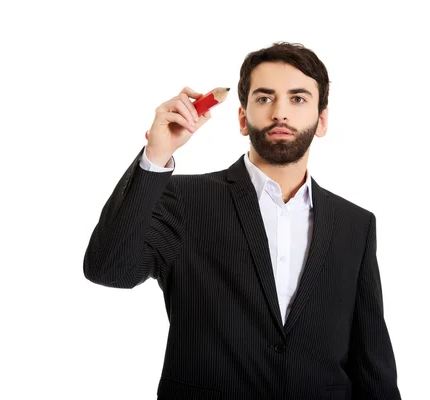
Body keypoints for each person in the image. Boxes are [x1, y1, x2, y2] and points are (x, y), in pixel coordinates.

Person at [83, 42, 401, 399]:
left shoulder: (355, 224)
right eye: (265, 99)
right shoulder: (184, 200)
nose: (280, 113)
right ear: (241, 118)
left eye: (298, 99)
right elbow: (109, 269)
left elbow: (372, 361)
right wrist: (158, 155)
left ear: (322, 120)